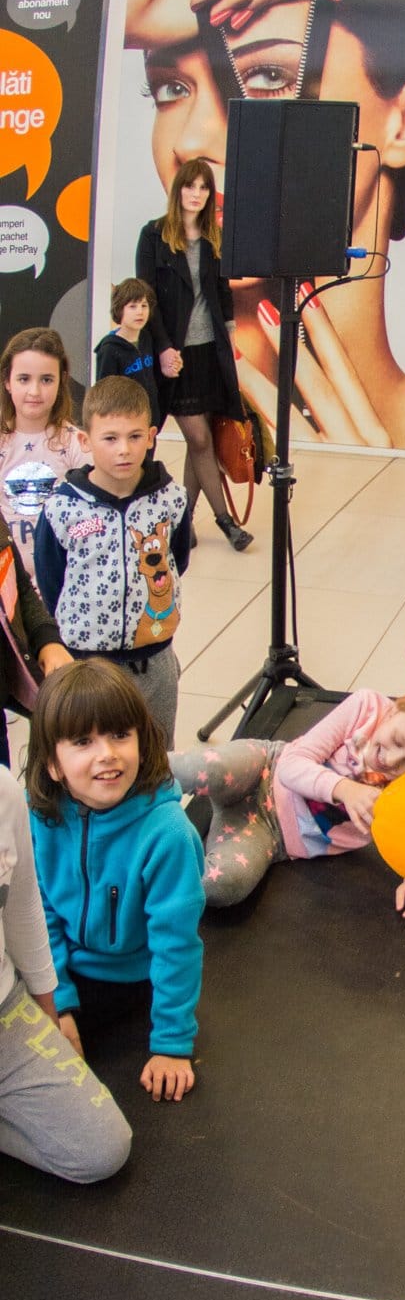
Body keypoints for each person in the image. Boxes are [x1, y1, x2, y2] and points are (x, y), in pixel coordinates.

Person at [124, 0, 405, 452]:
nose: (189, 141)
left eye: (268, 76)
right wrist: (124, 0)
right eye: (171, 88)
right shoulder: (137, 435)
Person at [27, 659, 205, 1105]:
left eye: (120, 735)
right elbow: (40, 910)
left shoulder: (168, 835)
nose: (106, 753)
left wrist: (172, 1044)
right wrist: (58, 1002)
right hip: (60, 968)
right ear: (52, 764)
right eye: (83, 741)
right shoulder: (40, 816)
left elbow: (176, 945)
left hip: (130, 981)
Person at [168, 687, 405, 924]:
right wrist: (344, 789)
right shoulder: (365, 708)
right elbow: (291, 764)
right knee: (199, 769)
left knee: (224, 885)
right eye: (397, 741)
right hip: (265, 768)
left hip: (272, 834)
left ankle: (151, 876)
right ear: (398, 706)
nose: (391, 760)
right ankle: (142, 782)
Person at [34, 375, 191, 747]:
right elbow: (51, 580)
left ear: (151, 437)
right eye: (110, 438)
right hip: (86, 664)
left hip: (154, 661)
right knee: (90, 752)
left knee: (156, 753)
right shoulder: (62, 508)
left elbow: (177, 560)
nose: (124, 450)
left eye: (135, 436)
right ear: (85, 441)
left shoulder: (171, 499)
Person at [0, 763, 133, 1182]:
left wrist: (51, 1010)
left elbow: (24, 909)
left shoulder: (4, 792)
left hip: (5, 1010)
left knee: (103, 1149)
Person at [135, 156, 252, 552]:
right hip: (176, 354)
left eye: (204, 187)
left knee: (199, 441)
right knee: (200, 438)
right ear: (178, 189)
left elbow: (222, 292)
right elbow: (146, 298)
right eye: (190, 185)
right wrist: (164, 348)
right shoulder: (154, 235)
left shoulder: (213, 238)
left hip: (209, 352)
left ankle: (182, 523)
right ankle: (225, 520)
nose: (197, 194)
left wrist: (230, 338)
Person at [0, 326, 91, 583]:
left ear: (61, 381)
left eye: (46, 380)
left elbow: (92, 519)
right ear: (7, 381)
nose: (35, 391)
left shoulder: (77, 445)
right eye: (24, 379)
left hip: (60, 579)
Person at [93, 277, 170, 432]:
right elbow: (104, 394)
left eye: (144, 305)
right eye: (133, 306)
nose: (140, 312)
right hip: (124, 426)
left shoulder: (147, 339)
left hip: (149, 423)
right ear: (119, 309)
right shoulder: (109, 350)